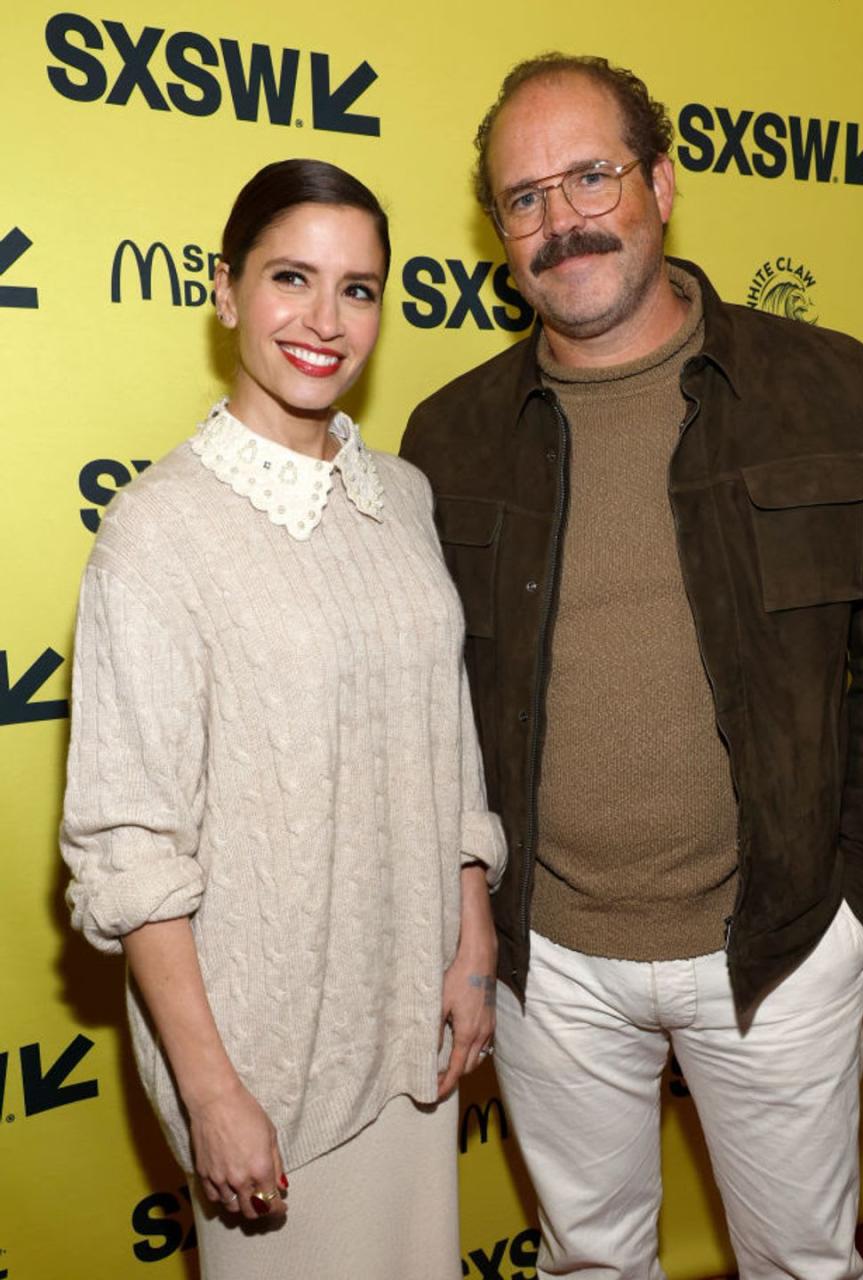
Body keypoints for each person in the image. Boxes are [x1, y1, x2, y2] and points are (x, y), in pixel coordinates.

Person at [400, 53, 863, 1280]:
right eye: (525, 197)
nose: (562, 221)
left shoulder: (832, 386)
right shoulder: (446, 437)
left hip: (779, 944)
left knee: (805, 1265)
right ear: (498, 230)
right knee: (591, 1265)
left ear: (660, 179)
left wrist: (859, 908)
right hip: (551, 963)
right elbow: (427, 711)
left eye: (591, 176)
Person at [60, 158, 505, 1280]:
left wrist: (471, 932)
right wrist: (212, 1092)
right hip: (267, 1063)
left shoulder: (399, 494)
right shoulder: (158, 535)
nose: (324, 320)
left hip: (411, 1028)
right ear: (224, 290)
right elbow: (131, 850)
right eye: (291, 277)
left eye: (358, 288)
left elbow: (445, 735)